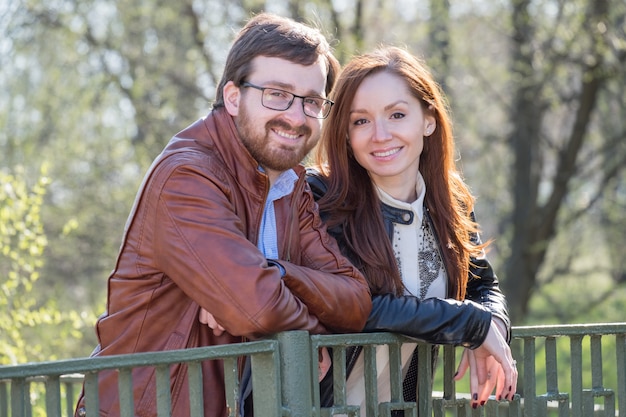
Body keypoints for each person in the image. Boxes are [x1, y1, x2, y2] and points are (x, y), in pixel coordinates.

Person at [73, 13, 374, 417]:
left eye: (312, 102)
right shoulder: (187, 175)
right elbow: (259, 306)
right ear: (233, 97)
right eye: (277, 94)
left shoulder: (291, 184)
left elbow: (354, 299)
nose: (297, 116)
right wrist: (307, 329)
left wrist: (273, 273)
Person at [307, 45, 517, 414]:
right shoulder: (319, 198)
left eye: (397, 114)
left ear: (428, 120)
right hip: (310, 407)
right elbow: (353, 306)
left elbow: (484, 285)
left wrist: (493, 326)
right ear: (345, 135)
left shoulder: (449, 204)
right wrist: (469, 323)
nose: (380, 134)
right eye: (361, 121)